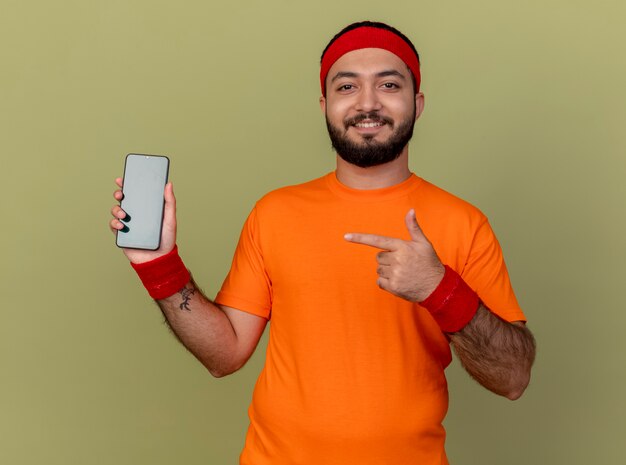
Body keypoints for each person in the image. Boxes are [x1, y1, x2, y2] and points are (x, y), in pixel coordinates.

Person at [109, 21, 536, 465]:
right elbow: (225, 354)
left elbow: (513, 377)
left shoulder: (463, 223)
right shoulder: (274, 212)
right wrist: (159, 265)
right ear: (325, 105)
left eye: (389, 84)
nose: (367, 102)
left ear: (417, 103)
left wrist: (439, 288)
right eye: (347, 86)